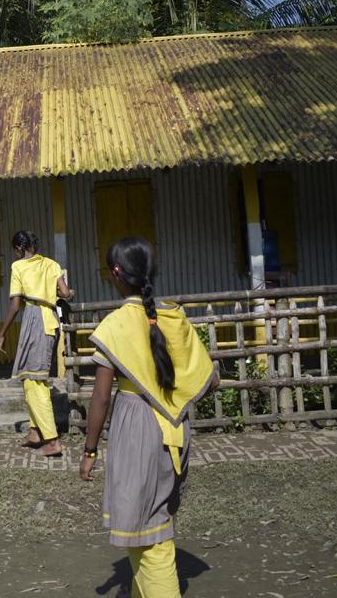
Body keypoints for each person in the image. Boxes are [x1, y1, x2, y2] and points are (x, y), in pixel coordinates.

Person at [80, 237, 219, 598]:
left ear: (116, 273)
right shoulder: (173, 317)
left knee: (148, 536)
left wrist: (89, 450)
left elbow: (100, 397)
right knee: (152, 522)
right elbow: (212, 380)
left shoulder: (116, 325)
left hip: (137, 432)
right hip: (175, 430)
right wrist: (171, 395)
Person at [0, 230, 74, 458]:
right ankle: (35, 431)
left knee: (35, 381)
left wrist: (2, 332)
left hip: (34, 320)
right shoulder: (51, 264)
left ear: (18, 249)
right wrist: (66, 294)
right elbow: (65, 292)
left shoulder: (18, 267)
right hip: (50, 321)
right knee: (30, 377)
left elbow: (15, 305)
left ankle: (52, 440)